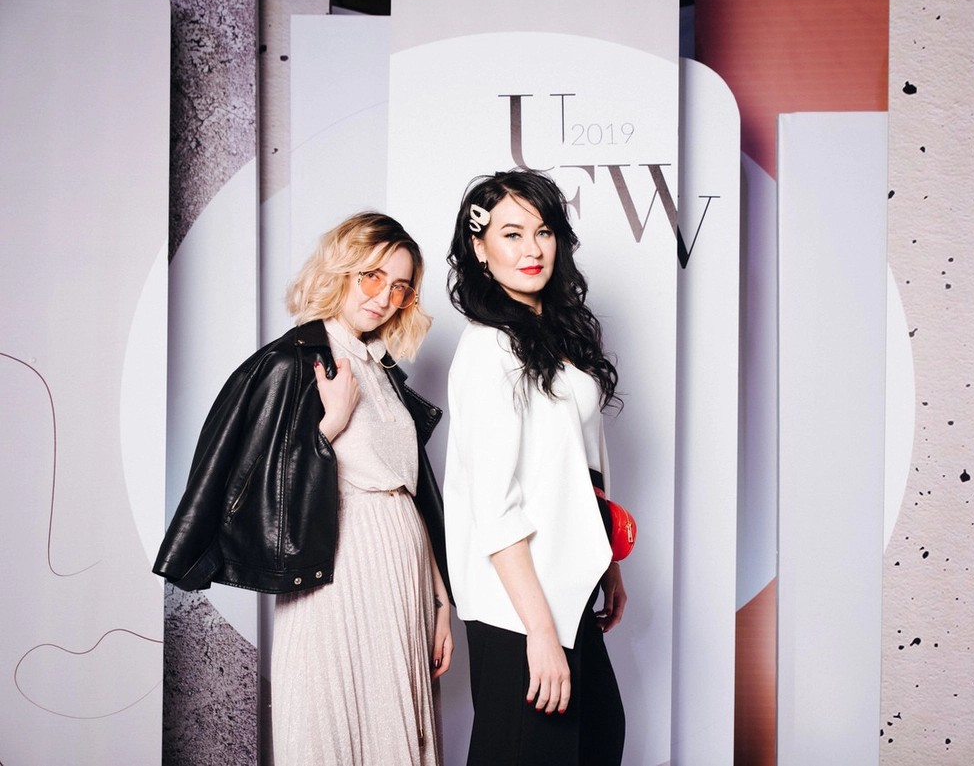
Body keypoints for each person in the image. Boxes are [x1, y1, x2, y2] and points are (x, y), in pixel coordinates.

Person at [153, 212, 452, 766]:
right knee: (330, 721)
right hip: (336, 568)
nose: (384, 298)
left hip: (403, 566)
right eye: (372, 276)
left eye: (400, 287)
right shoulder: (293, 360)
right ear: (341, 268)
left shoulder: (380, 367)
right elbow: (253, 480)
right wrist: (328, 426)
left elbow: (413, 492)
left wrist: (440, 601)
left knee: (398, 728)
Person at [443, 169, 627, 765]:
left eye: (543, 232)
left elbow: (583, 465)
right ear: (480, 248)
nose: (532, 249)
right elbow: (494, 506)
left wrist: (607, 563)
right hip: (518, 606)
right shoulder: (489, 348)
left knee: (598, 739)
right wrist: (539, 633)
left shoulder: (555, 337)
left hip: (570, 587)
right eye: (512, 233)